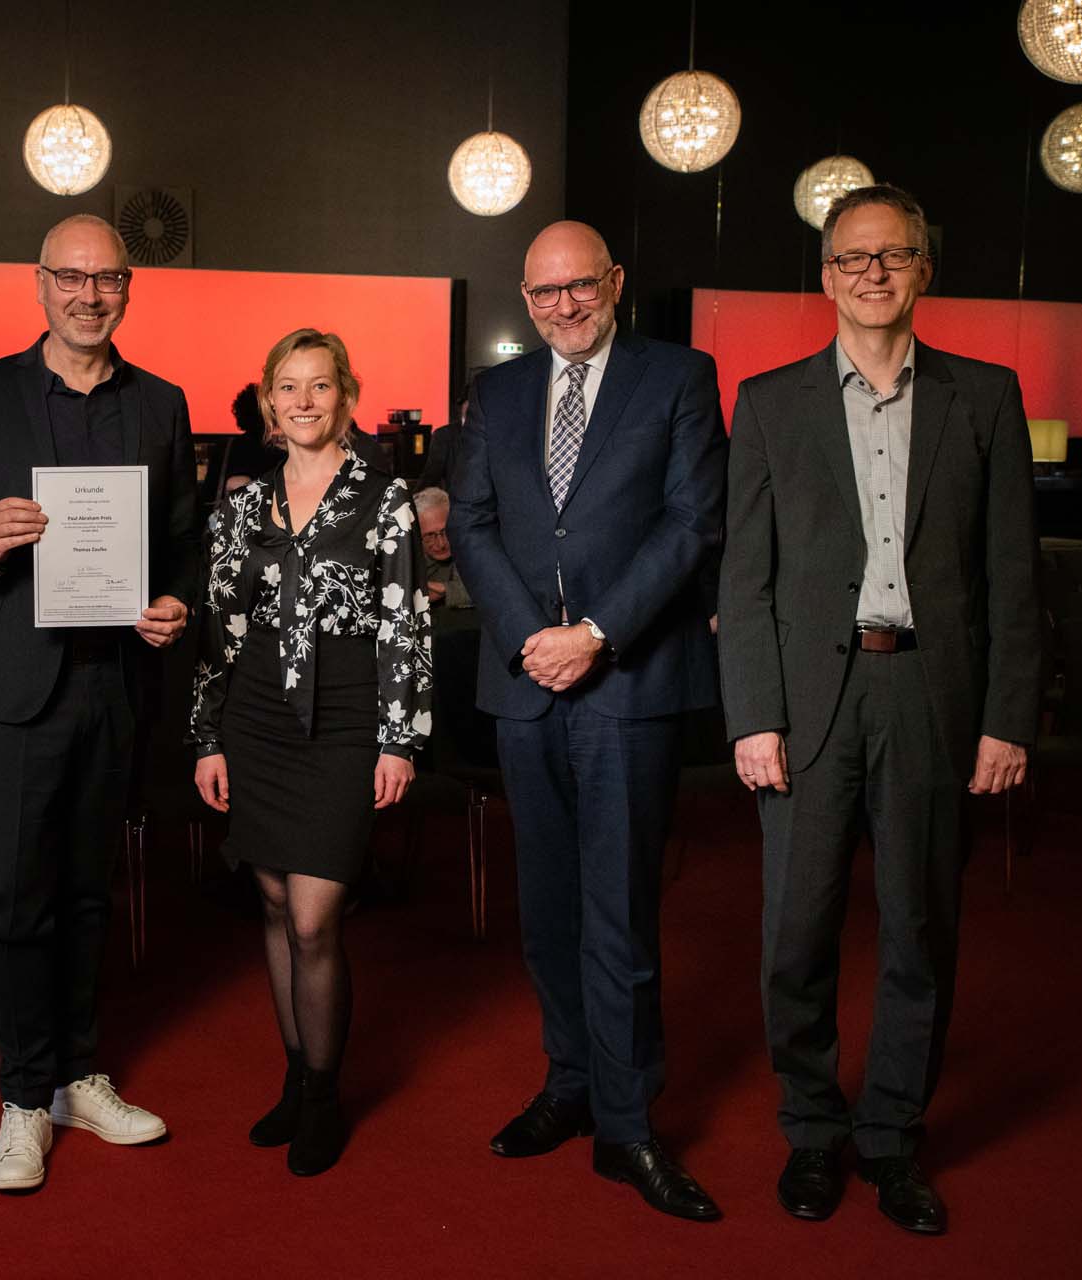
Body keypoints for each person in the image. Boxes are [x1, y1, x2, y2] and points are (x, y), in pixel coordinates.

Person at [719, 185, 1042, 1236]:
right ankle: (814, 1128)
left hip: (932, 694)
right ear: (825, 276)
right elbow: (746, 581)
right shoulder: (768, 402)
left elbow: (1011, 576)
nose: (872, 272)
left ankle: (894, 1136)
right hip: (810, 697)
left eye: (892, 254)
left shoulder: (985, 396)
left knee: (919, 928)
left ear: (923, 269)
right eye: (852, 258)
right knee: (795, 931)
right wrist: (752, 715)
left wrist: (1007, 717)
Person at [448, 220, 728, 1222]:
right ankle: (568, 1082)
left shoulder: (679, 377)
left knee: (618, 912)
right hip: (525, 681)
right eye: (542, 293)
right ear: (524, 300)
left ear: (614, 281)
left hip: (630, 682)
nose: (563, 307)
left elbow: (695, 520)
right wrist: (533, 636)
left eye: (579, 286)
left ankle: (628, 1122)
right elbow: (471, 521)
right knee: (549, 906)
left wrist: (597, 633)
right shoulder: (502, 392)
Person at [0, 213, 199, 1192]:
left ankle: (81, 1073)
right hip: (12, 684)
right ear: (38, 283)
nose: (89, 295)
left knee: (91, 888)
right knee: (12, 895)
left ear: (129, 287)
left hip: (114, 682)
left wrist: (178, 601)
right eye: (71, 278)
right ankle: (21, 1092)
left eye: (108, 280)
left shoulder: (162, 403)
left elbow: (181, 545)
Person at [189, 329, 431, 1176]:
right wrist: (208, 736)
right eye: (286, 388)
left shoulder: (383, 496)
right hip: (254, 716)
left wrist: (399, 739)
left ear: (346, 395)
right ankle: (294, 1080)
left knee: (314, 916)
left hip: (345, 717)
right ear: (267, 401)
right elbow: (220, 630)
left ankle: (325, 1094)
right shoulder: (241, 505)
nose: (302, 402)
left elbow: (406, 623)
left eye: (318, 387)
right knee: (269, 902)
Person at [411, 486, 474, 626]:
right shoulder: (407, 555)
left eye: (445, 532)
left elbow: (489, 591)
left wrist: (444, 589)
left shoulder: (470, 544)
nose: (440, 543)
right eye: (429, 536)